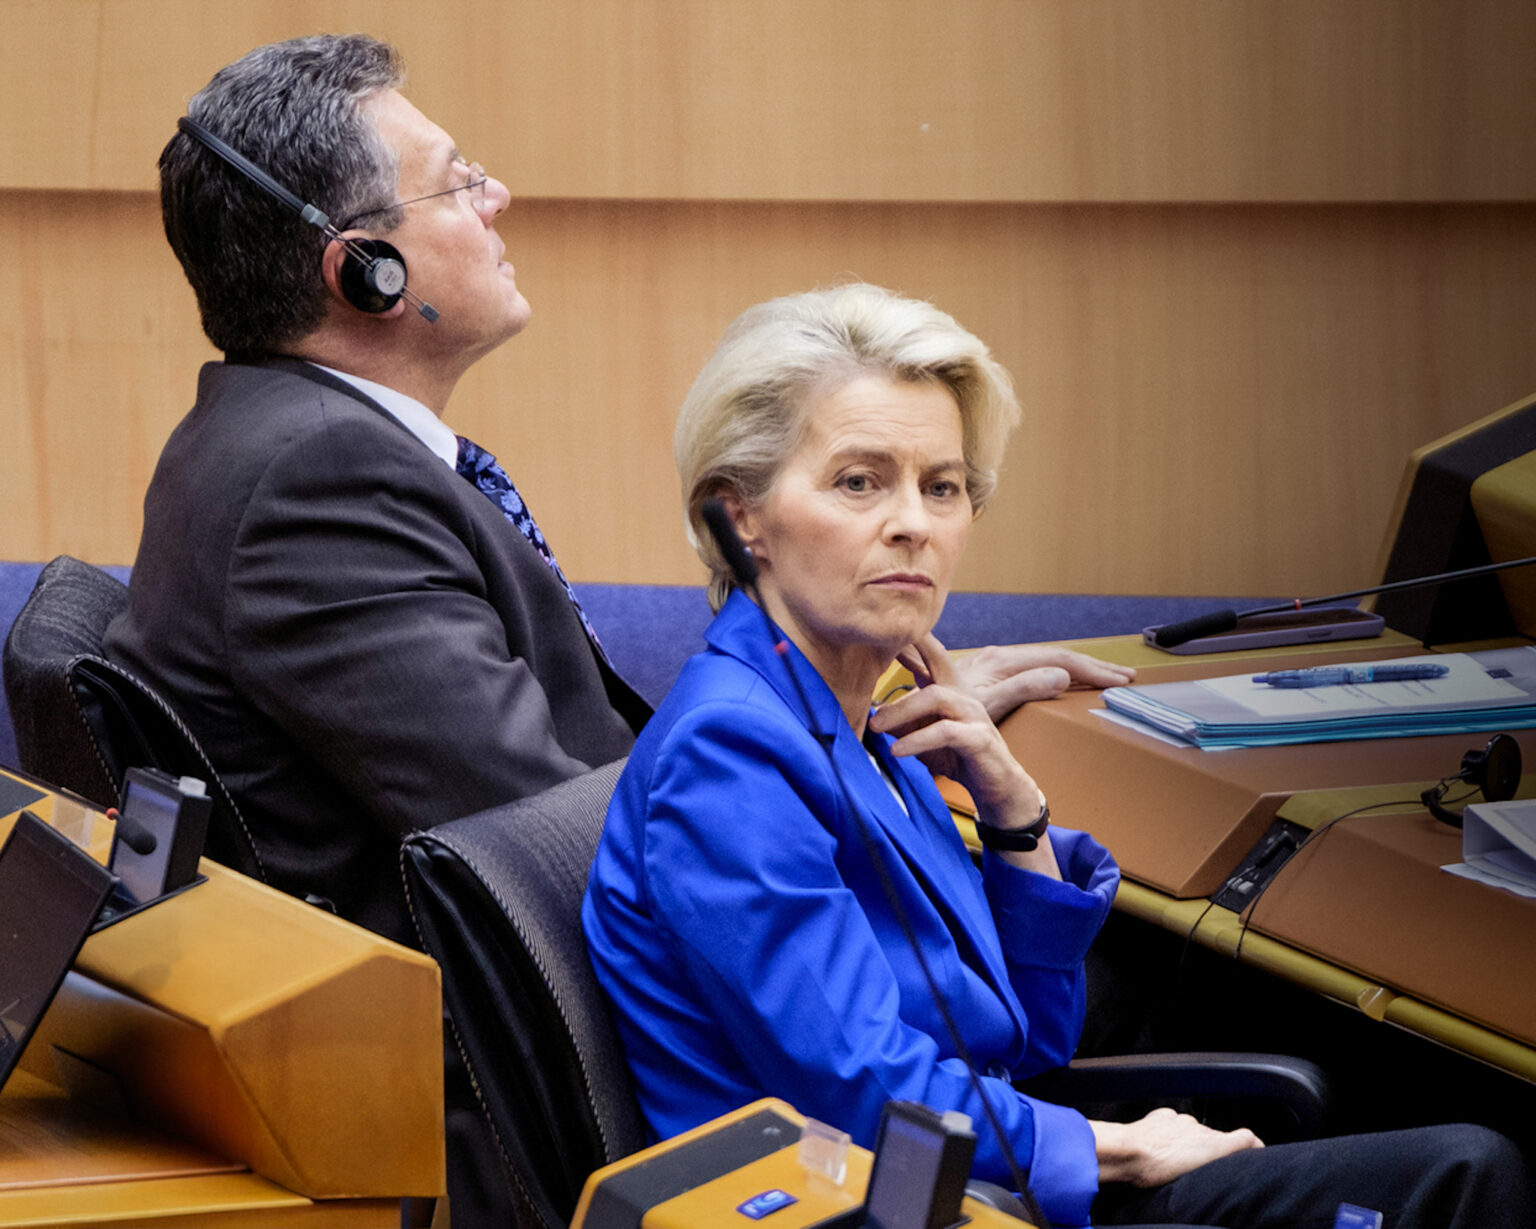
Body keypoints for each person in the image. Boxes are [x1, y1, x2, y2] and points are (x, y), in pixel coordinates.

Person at [582, 283, 1533, 1229]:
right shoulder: (732, 752)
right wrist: (1119, 1146)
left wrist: (1014, 814)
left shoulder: (860, 721)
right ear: (737, 519)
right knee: (1463, 1172)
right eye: (859, 481)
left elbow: (1029, 1037)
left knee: (1439, 1150)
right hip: (883, 1209)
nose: (914, 522)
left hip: (971, 1181)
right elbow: (861, 1089)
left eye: (943, 486)